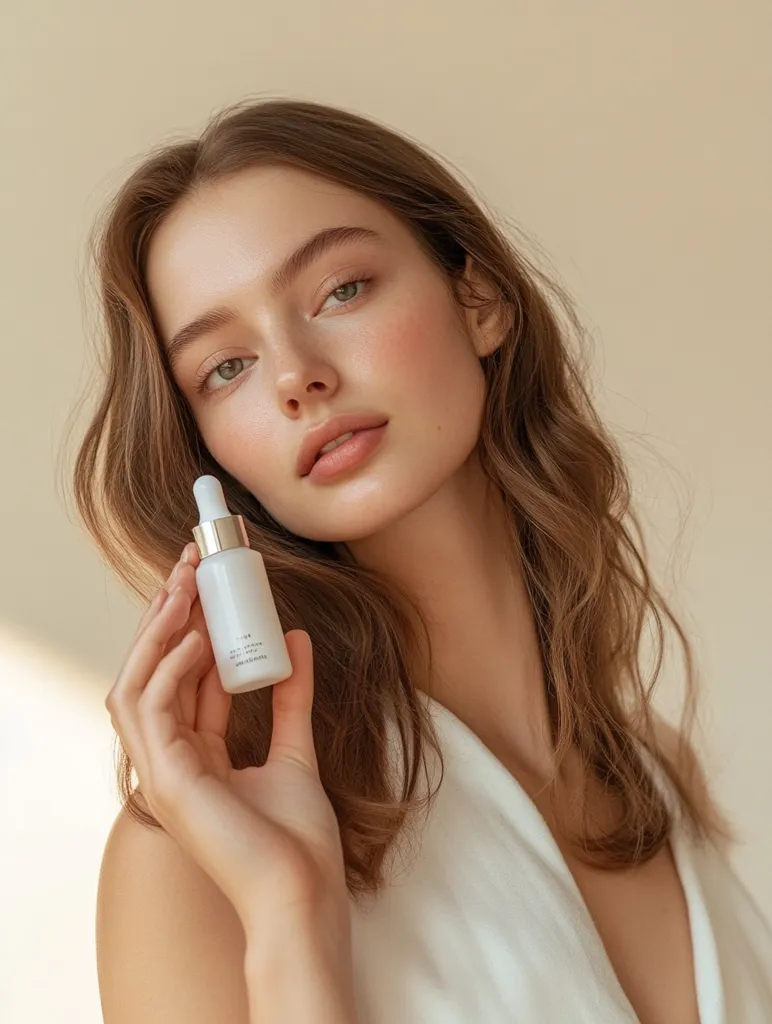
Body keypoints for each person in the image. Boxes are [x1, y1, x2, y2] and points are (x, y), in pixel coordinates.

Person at [73, 97, 772, 1024]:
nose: (296, 376)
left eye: (339, 291)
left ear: (477, 299)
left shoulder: (650, 772)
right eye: (225, 367)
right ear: (210, 451)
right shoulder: (194, 863)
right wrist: (291, 914)